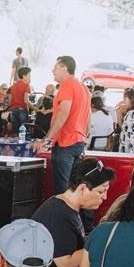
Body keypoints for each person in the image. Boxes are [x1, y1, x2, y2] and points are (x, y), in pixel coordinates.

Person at [32, 160, 115, 267]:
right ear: (83, 188)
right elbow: (66, 264)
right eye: (101, 192)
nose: (104, 197)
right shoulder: (56, 214)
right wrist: (103, 244)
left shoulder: (69, 208)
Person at [41, 55, 91, 189]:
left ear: (64, 68)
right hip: (78, 142)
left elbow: (63, 114)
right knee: (73, 189)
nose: (52, 71)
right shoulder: (84, 88)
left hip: (65, 142)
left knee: (62, 190)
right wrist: (84, 138)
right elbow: (88, 117)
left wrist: (47, 139)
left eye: (55, 67)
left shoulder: (67, 85)